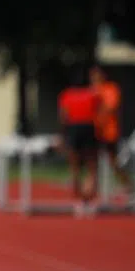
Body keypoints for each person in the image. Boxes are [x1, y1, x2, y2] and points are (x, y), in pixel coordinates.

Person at [89, 64, 135, 203]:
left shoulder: (110, 88)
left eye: (96, 74)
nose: (94, 77)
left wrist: (97, 113)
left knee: (114, 162)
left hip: (109, 132)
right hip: (94, 131)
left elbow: (111, 107)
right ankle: (93, 192)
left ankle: (129, 186)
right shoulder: (91, 90)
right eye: (92, 75)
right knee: (93, 163)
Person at [57, 75, 99, 213]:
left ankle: (80, 198)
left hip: (73, 128)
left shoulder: (67, 95)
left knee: (75, 166)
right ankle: (88, 198)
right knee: (92, 166)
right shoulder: (92, 95)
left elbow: (63, 116)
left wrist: (63, 136)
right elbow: (98, 113)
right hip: (88, 127)